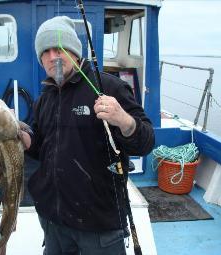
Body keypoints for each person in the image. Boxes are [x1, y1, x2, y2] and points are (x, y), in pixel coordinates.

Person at [22, 16, 155, 255]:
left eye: (60, 48)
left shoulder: (109, 87)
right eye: (46, 51)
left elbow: (146, 142)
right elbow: (39, 147)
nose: (53, 56)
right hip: (55, 220)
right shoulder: (44, 99)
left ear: (74, 52)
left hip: (99, 225)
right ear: (41, 59)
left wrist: (123, 119)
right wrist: (20, 137)